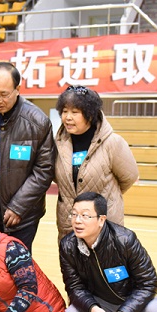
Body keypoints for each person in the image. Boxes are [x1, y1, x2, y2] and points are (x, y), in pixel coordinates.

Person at [0, 62, 56, 252]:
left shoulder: (37, 121)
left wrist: (18, 207)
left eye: (3, 94)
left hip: (21, 209)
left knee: (16, 266)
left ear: (17, 89)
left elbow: (44, 170)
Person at [54, 85, 139, 240]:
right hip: (69, 225)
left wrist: (106, 198)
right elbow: (58, 178)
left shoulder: (112, 143)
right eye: (65, 111)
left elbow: (129, 177)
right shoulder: (58, 144)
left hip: (104, 226)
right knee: (71, 264)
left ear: (90, 115)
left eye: (75, 112)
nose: (68, 117)